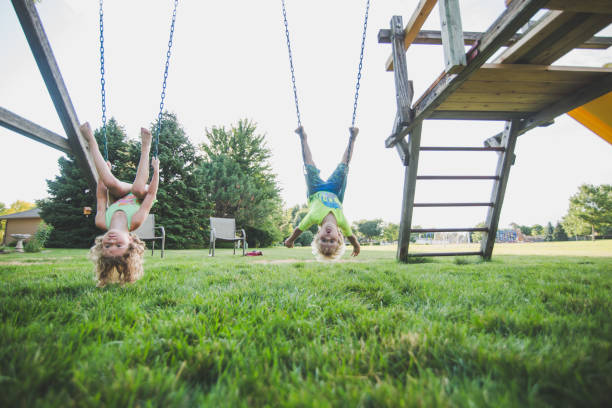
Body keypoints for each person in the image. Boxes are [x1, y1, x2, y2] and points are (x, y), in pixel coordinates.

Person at [81, 122, 160, 287]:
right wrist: (156, 171)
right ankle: (145, 146)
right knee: (138, 188)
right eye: (119, 245)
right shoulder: (135, 221)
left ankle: (90, 139)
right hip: (143, 193)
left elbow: (102, 197)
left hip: (122, 194)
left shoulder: (102, 222)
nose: (112, 240)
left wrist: (104, 175)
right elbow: (151, 195)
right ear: (130, 240)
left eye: (108, 245)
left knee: (110, 182)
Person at [285, 126, 360, 260]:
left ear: (318, 235)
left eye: (323, 240)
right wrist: (356, 246)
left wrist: (290, 240)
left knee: (309, 165)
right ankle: (352, 138)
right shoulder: (342, 222)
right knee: (344, 166)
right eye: (332, 241)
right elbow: (352, 237)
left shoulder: (314, 217)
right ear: (339, 237)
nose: (328, 237)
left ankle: (303, 137)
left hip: (316, 189)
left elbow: (298, 230)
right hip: (335, 190)